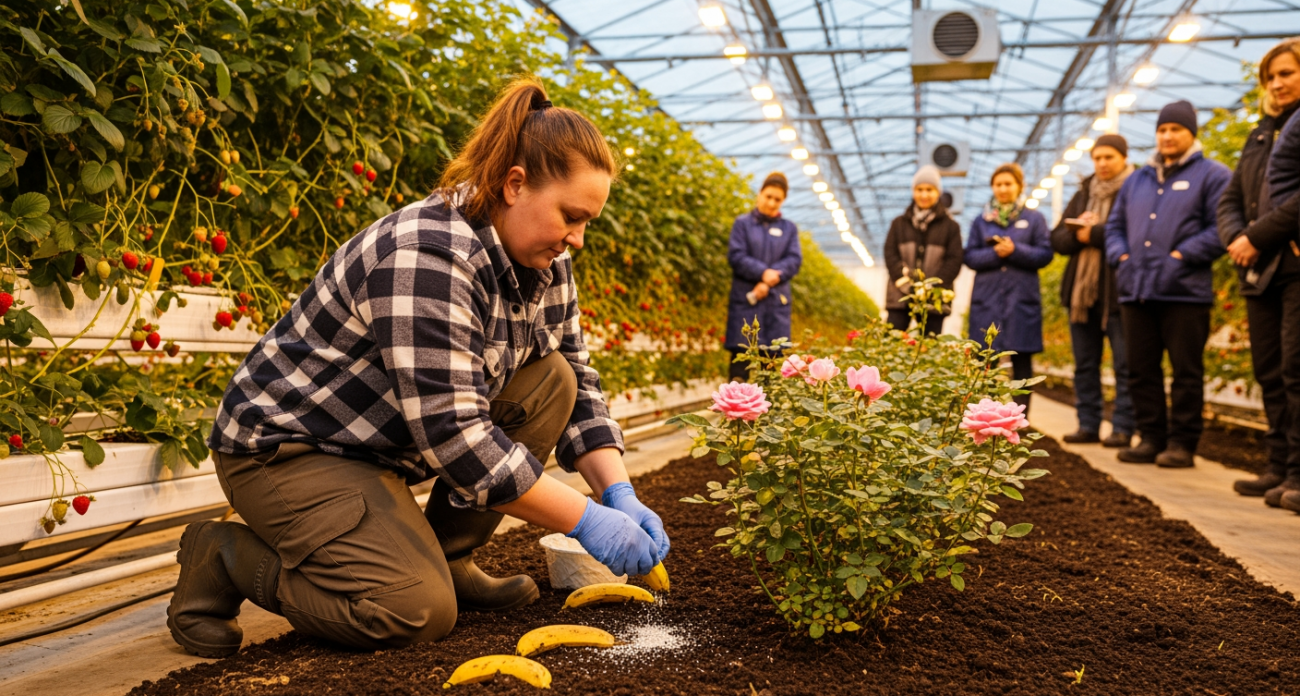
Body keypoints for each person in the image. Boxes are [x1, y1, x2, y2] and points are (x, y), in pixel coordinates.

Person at [168, 78, 671, 657]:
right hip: (293, 450)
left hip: (382, 444)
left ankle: (446, 556)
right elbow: (455, 435)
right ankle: (225, 559)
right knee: (409, 612)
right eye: (571, 216)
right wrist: (585, 519)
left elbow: (577, 384)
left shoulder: (544, 262)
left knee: (551, 377)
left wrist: (619, 492)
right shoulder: (426, 256)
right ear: (514, 185)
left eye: (588, 222)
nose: (578, 239)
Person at [1106, 100, 1232, 468]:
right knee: (1140, 368)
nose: (1167, 136)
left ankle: (1181, 443)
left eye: (1175, 129)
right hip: (1136, 288)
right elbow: (1114, 227)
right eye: (1162, 130)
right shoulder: (1138, 179)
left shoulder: (1212, 174)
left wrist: (1181, 256)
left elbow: (1221, 228)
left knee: (1185, 370)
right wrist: (1122, 258)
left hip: (1184, 291)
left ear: (1191, 133)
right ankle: (1150, 437)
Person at [1221, 38, 1300, 509]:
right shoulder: (1259, 135)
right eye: (1270, 76)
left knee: (1296, 369)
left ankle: (1297, 473)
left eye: (1287, 72)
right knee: (1269, 369)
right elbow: (1229, 198)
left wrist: (1257, 236)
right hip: (1260, 269)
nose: (1277, 83)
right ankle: (1278, 465)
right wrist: (1238, 236)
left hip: (1292, 263)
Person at [1051, 134, 1137, 448]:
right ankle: (1088, 424)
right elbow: (1057, 240)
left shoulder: (1136, 188)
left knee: (1124, 364)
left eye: (1109, 157)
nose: (1101, 164)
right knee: (1085, 364)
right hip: (1081, 297)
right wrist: (1078, 232)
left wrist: (1095, 233)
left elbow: (1137, 232)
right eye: (1097, 157)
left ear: (1124, 158)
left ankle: (1124, 427)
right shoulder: (1083, 193)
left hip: (1118, 292)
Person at [964, 163, 1054, 410]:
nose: (1003, 189)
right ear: (992, 187)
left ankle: (1019, 417)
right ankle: (986, 414)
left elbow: (1045, 254)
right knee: (986, 360)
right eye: (998, 184)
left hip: (1020, 300)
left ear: (1019, 187)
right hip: (988, 299)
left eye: (1008, 184)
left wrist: (1016, 250)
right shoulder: (981, 222)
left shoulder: (1034, 219)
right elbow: (970, 256)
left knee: (1021, 359)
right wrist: (996, 252)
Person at [725, 172, 802, 381]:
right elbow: (736, 256)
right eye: (768, 196)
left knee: (771, 363)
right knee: (741, 358)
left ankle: (768, 411)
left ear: (783, 201)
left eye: (777, 199)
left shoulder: (789, 229)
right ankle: (735, 412)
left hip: (775, 303)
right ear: (759, 194)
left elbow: (794, 260)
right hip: (747, 300)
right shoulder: (743, 224)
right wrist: (763, 272)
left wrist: (771, 278)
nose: (771, 202)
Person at [884, 165, 963, 336]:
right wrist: (903, 280)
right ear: (913, 191)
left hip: (934, 299)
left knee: (929, 346)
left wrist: (932, 286)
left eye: (929, 189)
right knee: (891, 341)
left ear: (938, 192)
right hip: (899, 296)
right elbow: (890, 254)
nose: (924, 194)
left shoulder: (951, 227)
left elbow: (954, 260)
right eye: (919, 189)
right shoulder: (899, 224)